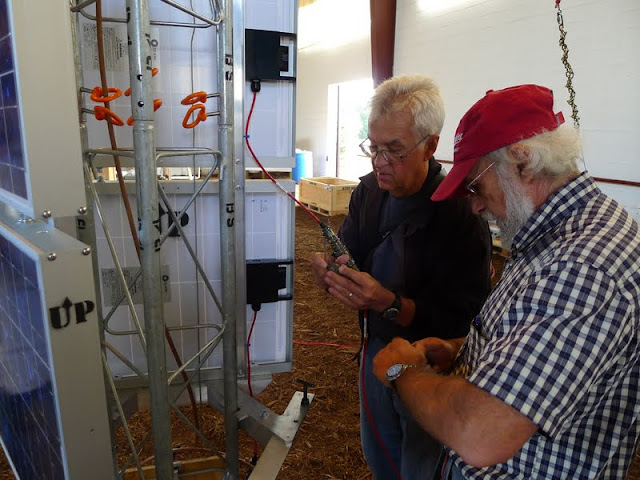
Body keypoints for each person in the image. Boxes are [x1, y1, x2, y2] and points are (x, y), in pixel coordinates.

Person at [372, 84, 640, 480]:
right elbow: (535, 339)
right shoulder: (551, 233)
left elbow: (483, 433)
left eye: (476, 186)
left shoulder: (584, 267)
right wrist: (462, 349)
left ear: (523, 162)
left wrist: (403, 372)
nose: (475, 204)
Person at [310, 75, 492, 480]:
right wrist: (331, 271)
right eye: (373, 147)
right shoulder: (368, 192)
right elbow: (349, 251)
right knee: (380, 454)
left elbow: (466, 318)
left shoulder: (459, 215)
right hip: (376, 349)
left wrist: (389, 304)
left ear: (431, 145)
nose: (379, 162)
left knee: (421, 464)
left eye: (394, 150)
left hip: (431, 363)